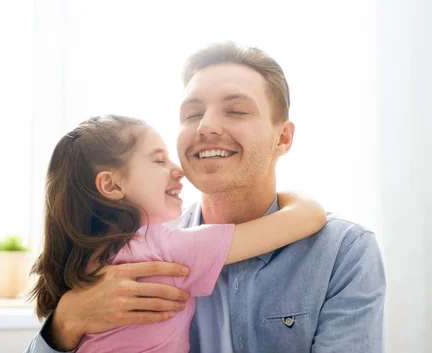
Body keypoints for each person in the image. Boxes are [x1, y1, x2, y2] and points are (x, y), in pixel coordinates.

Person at [25, 42, 386, 353]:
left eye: (236, 110)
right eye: (192, 113)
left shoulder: (343, 252)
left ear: (283, 138)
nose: (206, 126)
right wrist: (66, 322)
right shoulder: (137, 246)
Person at [30, 114, 326, 352]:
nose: (178, 170)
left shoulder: (83, 264)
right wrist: (289, 194)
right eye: (159, 160)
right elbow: (309, 217)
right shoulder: (164, 249)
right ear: (111, 186)